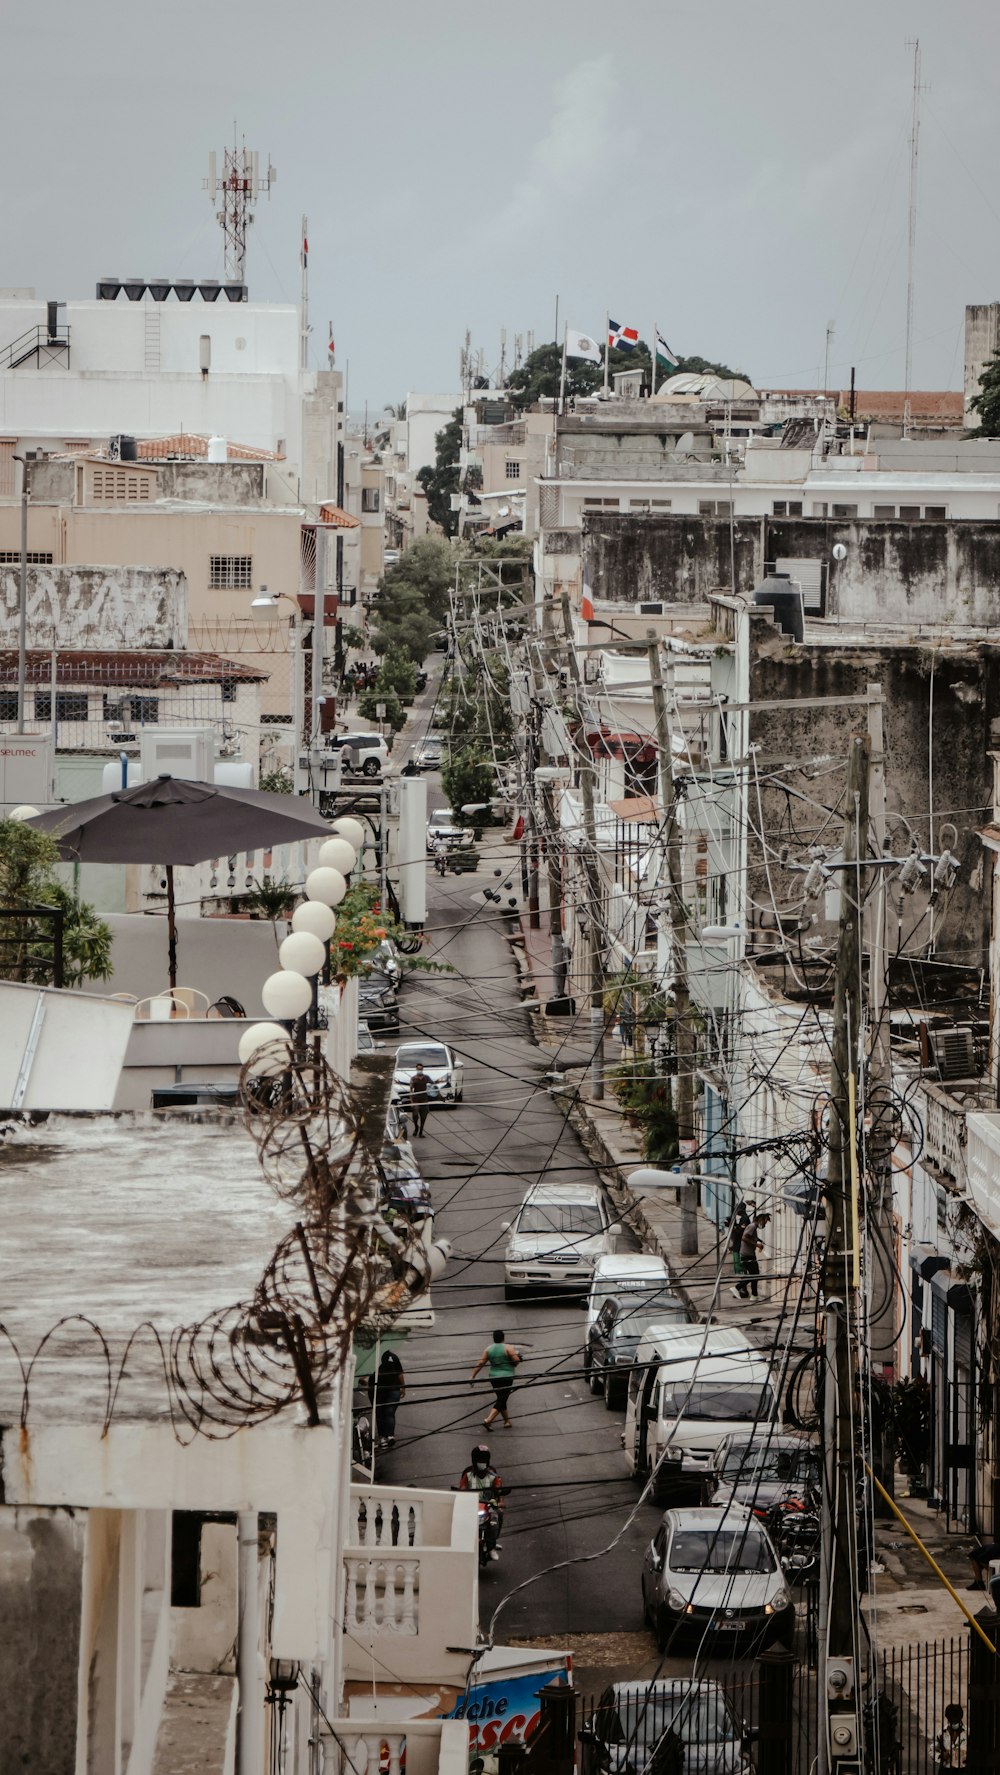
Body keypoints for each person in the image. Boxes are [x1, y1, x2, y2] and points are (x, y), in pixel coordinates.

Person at [458, 1443, 504, 1559]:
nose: (482, 1462)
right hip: (470, 1507)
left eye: (484, 1460)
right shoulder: (467, 1475)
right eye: (479, 1460)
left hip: (489, 1507)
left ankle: (492, 1546)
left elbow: (499, 1492)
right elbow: (462, 1490)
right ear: (474, 1460)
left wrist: (500, 1502)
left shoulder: (494, 1477)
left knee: (498, 1516)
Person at [471, 1329, 521, 1428]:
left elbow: (481, 1363)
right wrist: (516, 1359)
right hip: (507, 1377)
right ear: (503, 1338)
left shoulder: (488, 1349)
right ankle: (488, 1420)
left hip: (493, 1378)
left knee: (501, 1398)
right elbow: (516, 1361)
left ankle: (507, 1421)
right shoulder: (508, 1348)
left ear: (493, 1338)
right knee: (502, 1398)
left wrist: (473, 1375)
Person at [367, 1349, 405, 1448]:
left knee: (387, 1412)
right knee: (383, 1413)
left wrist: (403, 1387)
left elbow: (400, 1374)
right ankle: (385, 1436)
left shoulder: (390, 1357)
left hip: (390, 1389)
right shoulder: (372, 1359)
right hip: (380, 1390)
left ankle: (387, 1436)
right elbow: (365, 1376)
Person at [735, 1211, 770, 1299]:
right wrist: (757, 1244)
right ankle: (737, 1287)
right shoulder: (752, 1226)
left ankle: (754, 1295)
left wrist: (758, 1240)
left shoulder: (753, 1227)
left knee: (754, 1274)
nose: (764, 1225)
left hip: (749, 1253)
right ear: (761, 1220)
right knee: (755, 1275)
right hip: (747, 1254)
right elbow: (745, 1237)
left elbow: (749, 1237)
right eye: (765, 1222)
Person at [728, 1202, 750, 1294]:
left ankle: (743, 1289)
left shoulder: (745, 1219)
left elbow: (740, 1233)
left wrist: (733, 1227)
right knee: (738, 1268)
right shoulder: (741, 1219)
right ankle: (742, 1288)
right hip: (737, 1246)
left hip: (741, 1247)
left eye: (737, 1208)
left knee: (741, 1268)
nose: (735, 1210)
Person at [408, 1062, 432, 1136]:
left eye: (421, 1069)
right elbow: (411, 1090)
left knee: (423, 1116)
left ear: (423, 1069)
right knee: (415, 1115)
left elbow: (433, 1085)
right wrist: (411, 1101)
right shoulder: (413, 1079)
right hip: (416, 1099)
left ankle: (421, 1131)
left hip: (424, 1099)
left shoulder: (426, 1077)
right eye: (418, 1069)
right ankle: (416, 1128)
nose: (420, 1070)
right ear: (416, 1069)